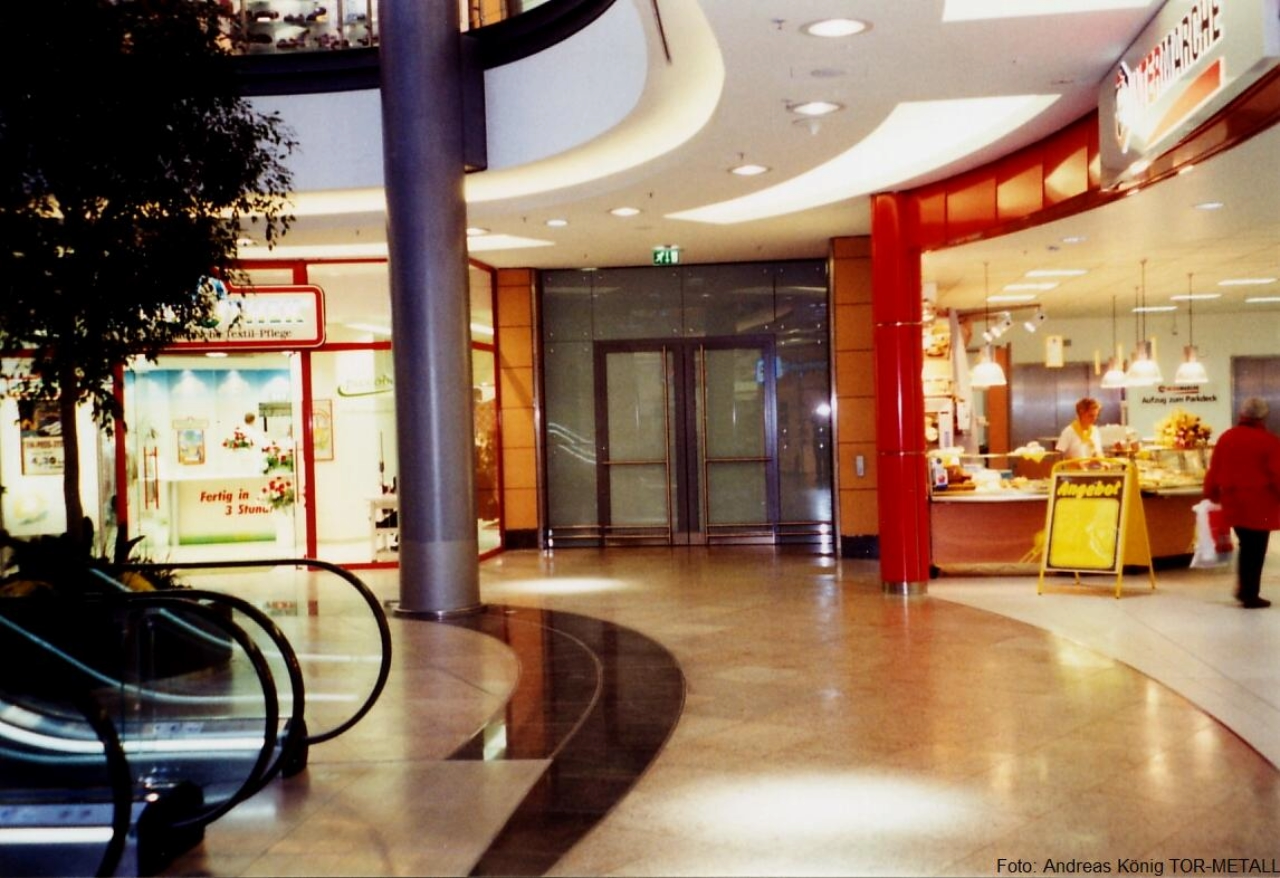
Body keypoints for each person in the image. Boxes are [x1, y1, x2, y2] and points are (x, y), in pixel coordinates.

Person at [1203, 396, 1280, 609]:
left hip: (1232, 502)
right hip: (1260, 504)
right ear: (1263, 417)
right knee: (1255, 549)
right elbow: (1277, 475)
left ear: (1242, 414)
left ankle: (1245, 589)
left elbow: (1214, 468)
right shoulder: (1270, 441)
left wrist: (1210, 493)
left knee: (1246, 545)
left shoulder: (1227, 437)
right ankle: (1249, 594)